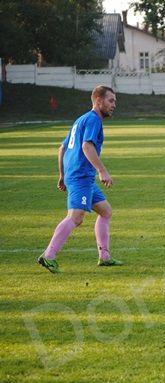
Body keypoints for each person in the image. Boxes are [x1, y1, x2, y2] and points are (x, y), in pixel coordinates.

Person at [37, 86, 122, 273]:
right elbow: (86, 146)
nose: (114, 104)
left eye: (114, 101)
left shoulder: (81, 119)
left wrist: (62, 175)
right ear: (98, 100)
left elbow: (62, 148)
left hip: (80, 177)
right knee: (75, 217)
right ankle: (49, 256)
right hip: (81, 177)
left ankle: (104, 257)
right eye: (110, 100)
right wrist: (102, 171)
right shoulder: (93, 120)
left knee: (106, 211)